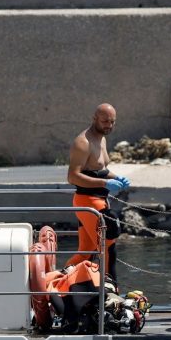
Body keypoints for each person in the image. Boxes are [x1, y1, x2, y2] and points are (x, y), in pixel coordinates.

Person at [66, 103, 129, 285]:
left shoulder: (102, 138)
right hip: (88, 202)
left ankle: (59, 281)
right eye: (105, 121)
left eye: (112, 122)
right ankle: (111, 292)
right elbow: (72, 176)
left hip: (100, 200)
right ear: (94, 119)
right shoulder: (83, 142)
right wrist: (105, 183)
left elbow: (100, 168)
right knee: (108, 247)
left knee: (86, 251)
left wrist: (117, 178)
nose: (108, 125)